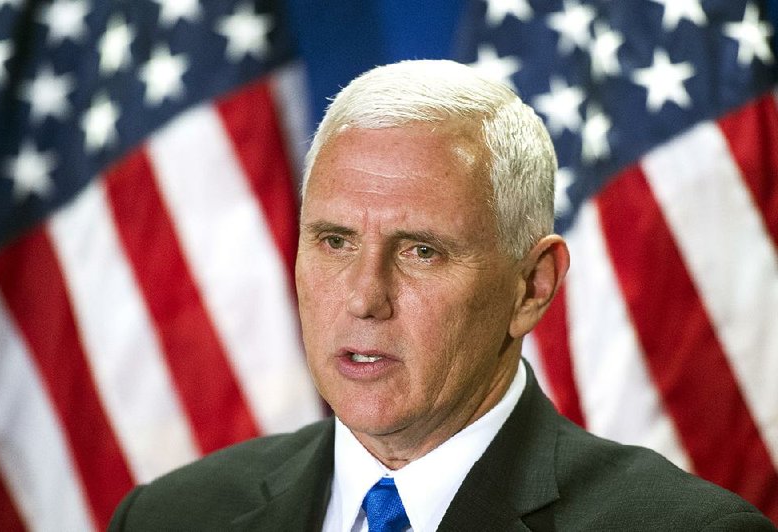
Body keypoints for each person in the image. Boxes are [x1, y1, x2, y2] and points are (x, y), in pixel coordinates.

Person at [109, 59, 775, 531]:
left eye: (422, 251)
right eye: (335, 241)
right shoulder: (171, 516)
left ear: (532, 287)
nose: (365, 298)